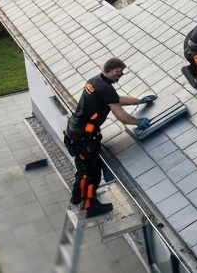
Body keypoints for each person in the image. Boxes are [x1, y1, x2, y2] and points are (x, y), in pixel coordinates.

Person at [64, 58, 154, 218]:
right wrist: (137, 122)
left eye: (122, 72)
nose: (120, 75)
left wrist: (139, 101)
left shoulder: (96, 81)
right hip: (84, 139)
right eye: (118, 72)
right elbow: (121, 116)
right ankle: (89, 206)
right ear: (110, 70)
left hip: (75, 133)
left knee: (83, 169)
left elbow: (116, 99)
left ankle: (77, 197)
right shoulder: (105, 88)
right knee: (92, 173)